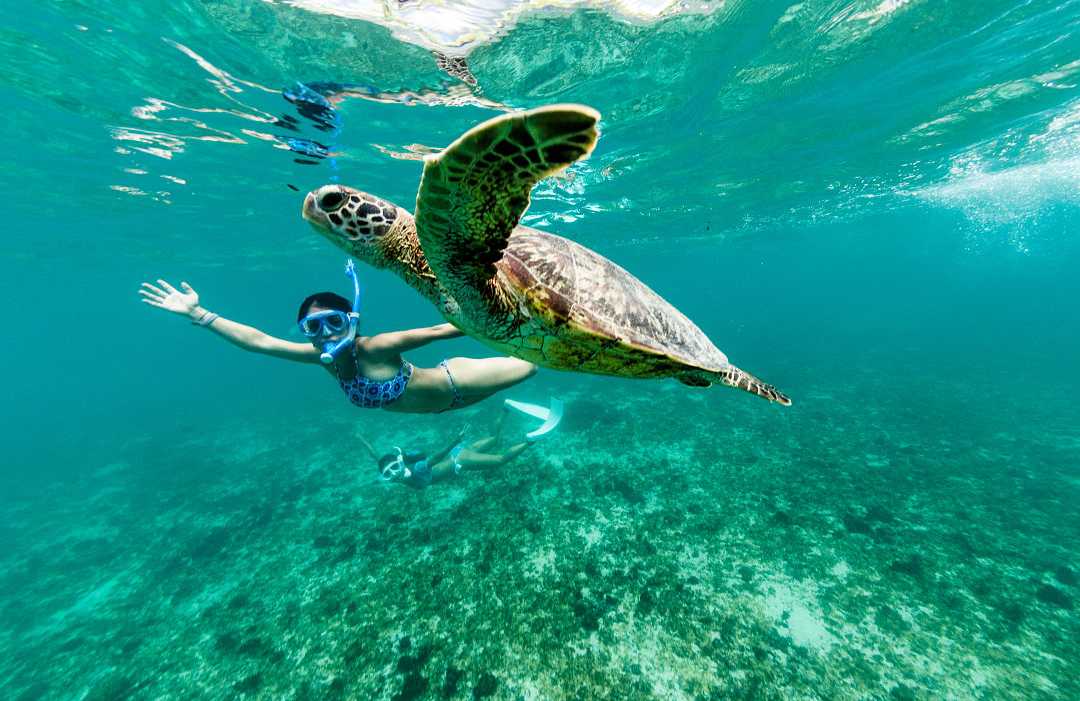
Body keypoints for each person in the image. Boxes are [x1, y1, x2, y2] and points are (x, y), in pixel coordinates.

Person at [138, 261, 536, 413]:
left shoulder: (377, 346)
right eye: (313, 327)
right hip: (446, 407)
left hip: (457, 381)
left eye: (332, 321)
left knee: (534, 365)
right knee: (506, 390)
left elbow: (440, 330)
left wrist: (511, 312)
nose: (325, 334)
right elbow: (258, 341)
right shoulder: (321, 360)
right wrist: (200, 314)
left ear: (352, 320)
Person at [362, 410, 533, 490]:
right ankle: (505, 410)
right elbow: (376, 455)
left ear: (400, 464)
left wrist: (455, 440)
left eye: (393, 469)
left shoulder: (417, 469)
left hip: (458, 459)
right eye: (387, 474)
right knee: (495, 440)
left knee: (500, 460)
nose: (392, 474)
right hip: (458, 452)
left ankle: (530, 441)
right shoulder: (394, 475)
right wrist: (362, 440)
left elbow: (436, 457)